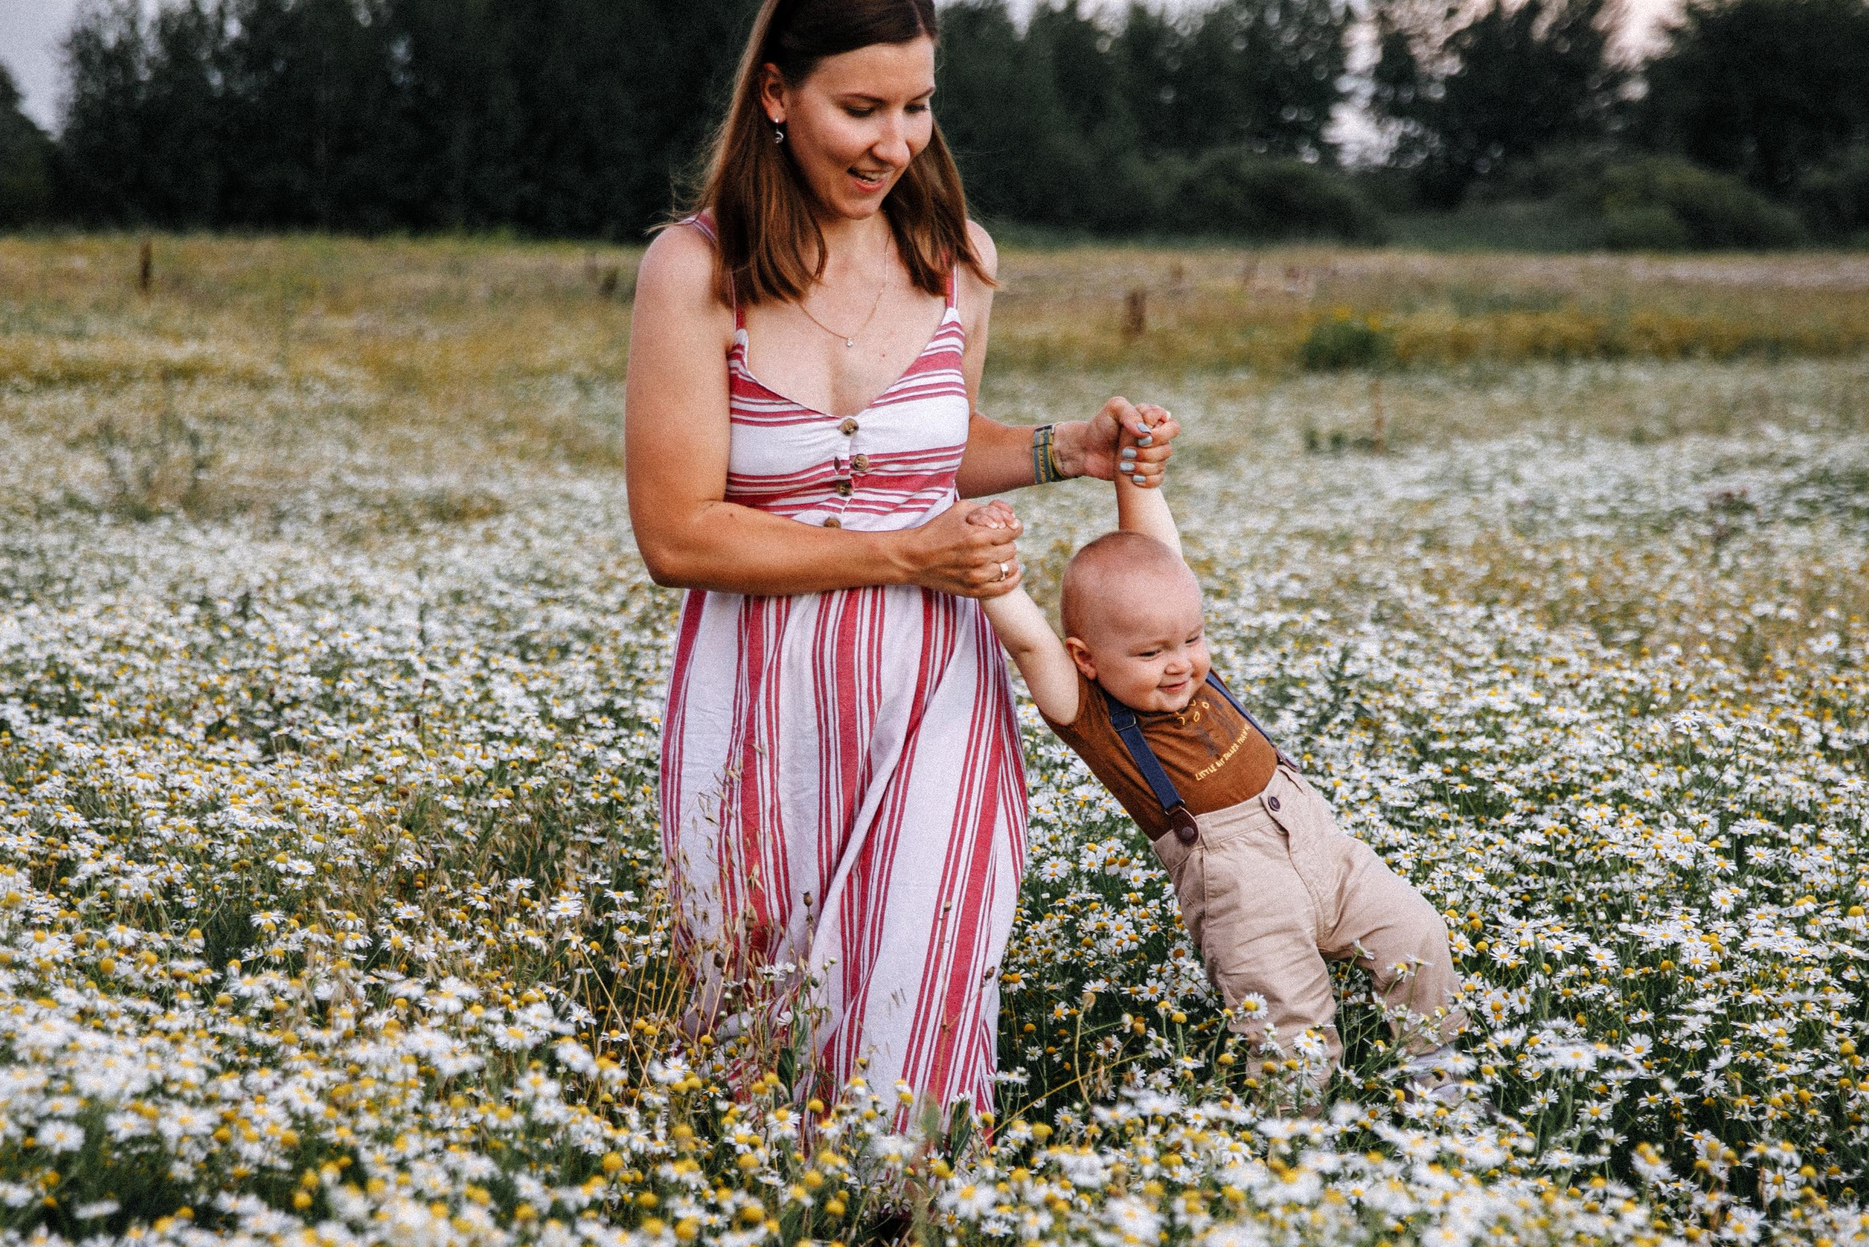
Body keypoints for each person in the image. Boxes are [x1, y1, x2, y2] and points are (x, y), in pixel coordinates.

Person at [623, 0, 1178, 1130]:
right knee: (751, 1000)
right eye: (861, 108)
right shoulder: (694, 271)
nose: (894, 142)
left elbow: (933, 446)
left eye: (917, 107)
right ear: (776, 96)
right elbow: (676, 534)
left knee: (924, 960)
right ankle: (757, 1245)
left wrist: (1062, 448)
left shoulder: (954, 261)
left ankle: (901, 1238)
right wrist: (899, 550)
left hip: (937, 675)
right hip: (756, 684)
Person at [970, 422, 1469, 1096]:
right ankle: (1297, 1147)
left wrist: (1134, 472)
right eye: (1150, 654)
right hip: (1241, 887)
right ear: (1086, 660)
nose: (1180, 664)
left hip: (1317, 838)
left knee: (1418, 932)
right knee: (1291, 1026)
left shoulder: (1180, 648)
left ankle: (1439, 1083)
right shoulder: (1089, 713)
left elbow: (1158, 555)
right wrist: (993, 569)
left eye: (1191, 638)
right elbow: (1032, 645)